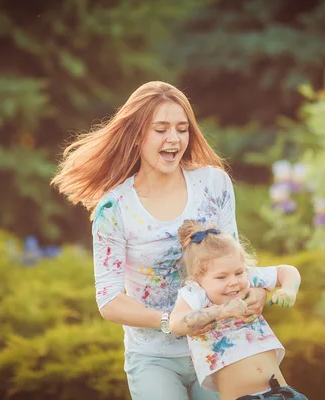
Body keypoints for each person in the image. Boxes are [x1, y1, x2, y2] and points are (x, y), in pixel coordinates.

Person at [51, 81, 271, 400]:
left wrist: (258, 290)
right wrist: (173, 321)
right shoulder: (114, 208)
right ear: (137, 134)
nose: (174, 139)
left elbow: (234, 263)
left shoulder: (214, 184)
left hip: (218, 349)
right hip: (153, 358)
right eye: (161, 129)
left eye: (182, 129)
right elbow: (109, 299)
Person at [170, 219, 308, 400]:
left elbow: (287, 271)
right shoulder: (197, 293)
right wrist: (221, 311)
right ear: (197, 279)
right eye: (221, 277)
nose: (233, 281)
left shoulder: (247, 279)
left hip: (284, 394)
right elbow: (176, 323)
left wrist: (289, 289)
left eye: (238, 273)